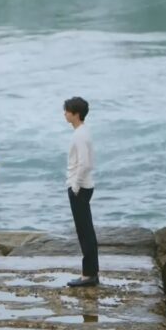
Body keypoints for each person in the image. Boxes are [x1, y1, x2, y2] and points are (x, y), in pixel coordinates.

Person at [63, 96, 99, 287]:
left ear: (76, 114)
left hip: (81, 188)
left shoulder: (79, 135)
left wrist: (75, 185)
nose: (65, 114)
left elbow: (85, 163)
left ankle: (89, 275)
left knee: (84, 232)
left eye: (67, 111)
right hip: (84, 186)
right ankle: (91, 272)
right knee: (86, 230)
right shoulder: (83, 131)